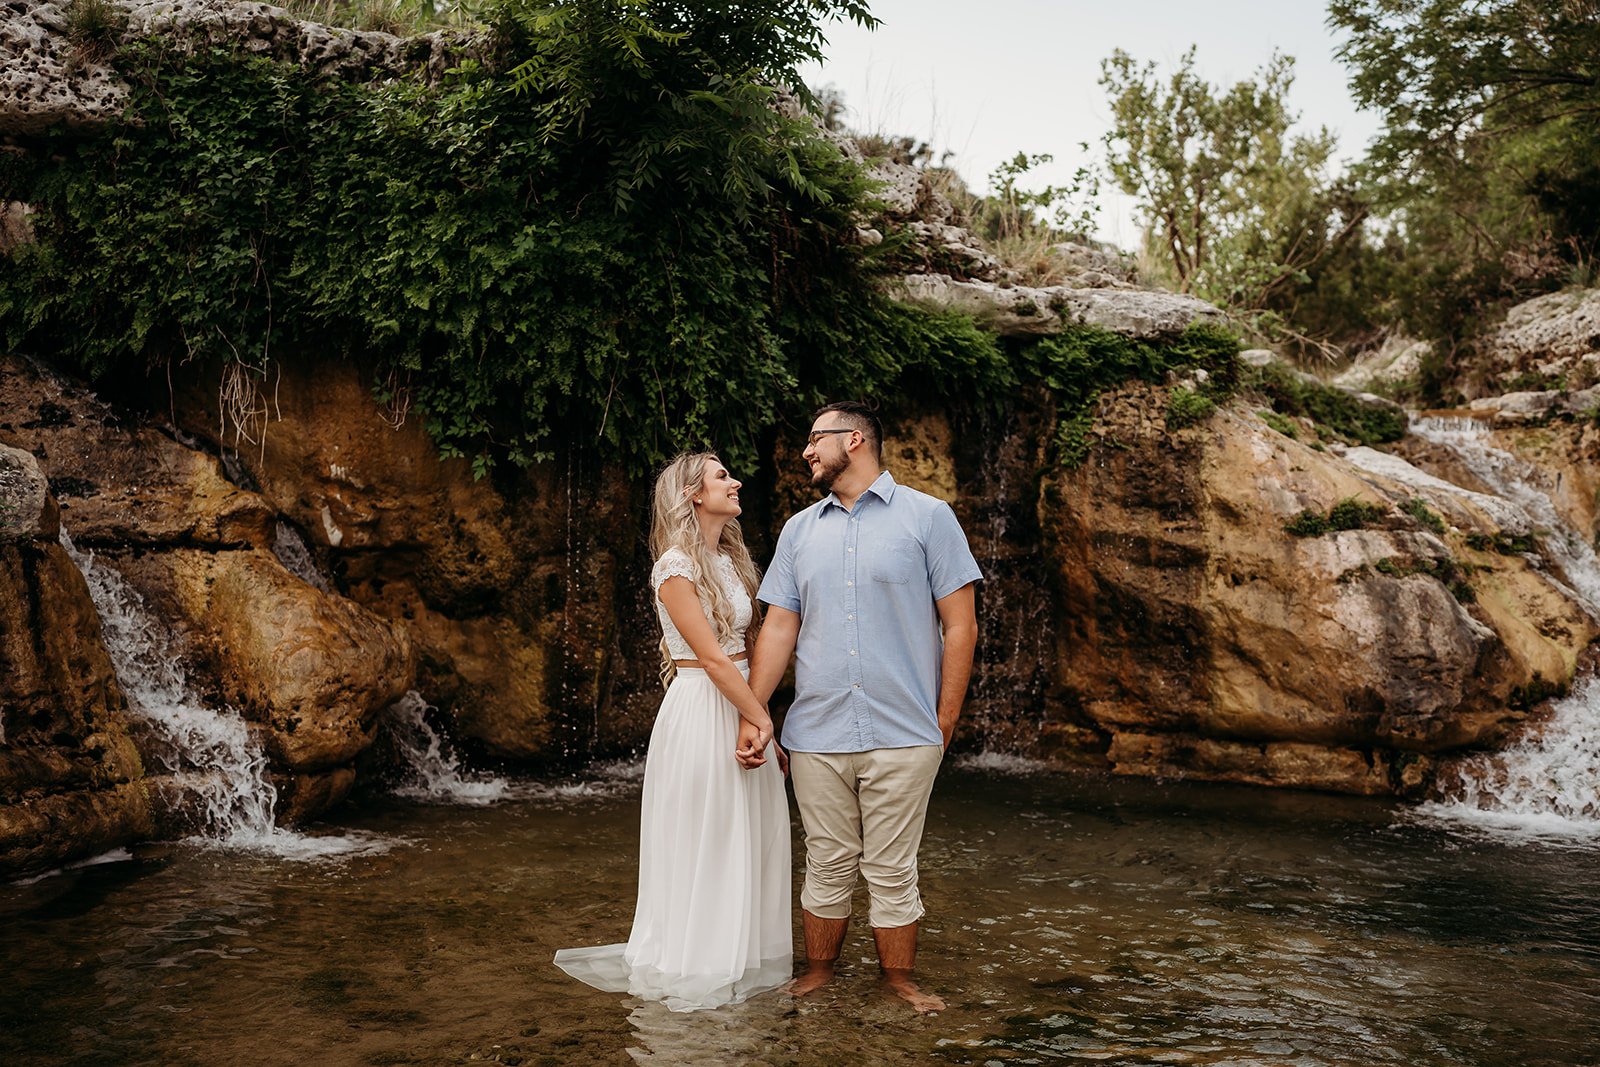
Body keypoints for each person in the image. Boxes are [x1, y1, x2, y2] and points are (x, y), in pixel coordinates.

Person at [743, 401, 981, 1013]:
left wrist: (945, 718)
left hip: (906, 729)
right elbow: (778, 629)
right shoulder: (799, 530)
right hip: (816, 730)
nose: (805, 452)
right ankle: (820, 971)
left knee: (893, 868)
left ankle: (898, 981)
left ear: (854, 441)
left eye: (814, 440)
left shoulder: (930, 518)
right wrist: (755, 710)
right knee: (826, 861)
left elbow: (961, 626)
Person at [553, 452, 792, 1013]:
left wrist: (756, 720)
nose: (735, 483)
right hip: (699, 709)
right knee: (707, 833)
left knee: (748, 829)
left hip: (739, 704)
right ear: (692, 494)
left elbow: (750, 645)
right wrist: (760, 718)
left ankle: (749, 957)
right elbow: (711, 659)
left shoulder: (731, 562)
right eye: (721, 477)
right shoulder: (675, 566)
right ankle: (699, 960)